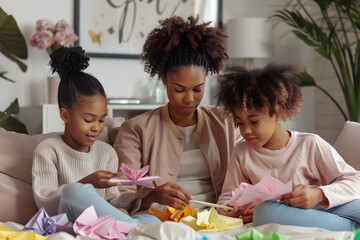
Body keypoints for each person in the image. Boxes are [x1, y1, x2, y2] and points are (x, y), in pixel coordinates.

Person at [113, 15, 241, 214]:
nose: (189, 99)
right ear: (164, 79)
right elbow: (121, 194)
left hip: (218, 219)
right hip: (161, 219)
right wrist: (152, 197)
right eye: (180, 90)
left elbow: (254, 170)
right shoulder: (136, 129)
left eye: (197, 89)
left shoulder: (226, 122)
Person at [216, 64, 360, 231]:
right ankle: (351, 228)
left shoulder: (310, 144)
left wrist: (317, 195)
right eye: (239, 123)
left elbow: (355, 180)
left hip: (321, 206)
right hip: (281, 213)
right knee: (264, 212)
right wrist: (228, 211)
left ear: (278, 112)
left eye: (254, 121)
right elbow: (227, 197)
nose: (246, 131)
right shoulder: (242, 152)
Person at [32, 46, 160, 225]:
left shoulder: (106, 152)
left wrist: (137, 197)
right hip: (67, 222)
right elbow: (44, 202)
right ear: (65, 115)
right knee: (75, 192)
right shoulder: (48, 150)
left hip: (101, 223)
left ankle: (135, 228)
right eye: (88, 120)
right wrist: (86, 183)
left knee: (151, 219)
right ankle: (136, 230)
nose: (96, 128)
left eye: (101, 120)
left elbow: (111, 202)